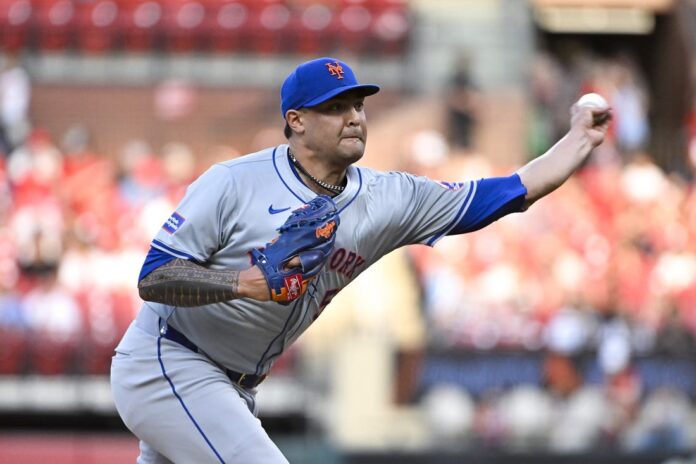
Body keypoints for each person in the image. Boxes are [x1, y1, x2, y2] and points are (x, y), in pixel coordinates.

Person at [110, 57, 611, 463]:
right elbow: (154, 277)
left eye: (358, 104)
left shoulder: (387, 198)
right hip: (170, 359)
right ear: (296, 121)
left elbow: (506, 193)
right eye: (335, 107)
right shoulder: (234, 182)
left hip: (236, 384)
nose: (354, 116)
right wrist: (246, 282)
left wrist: (578, 140)